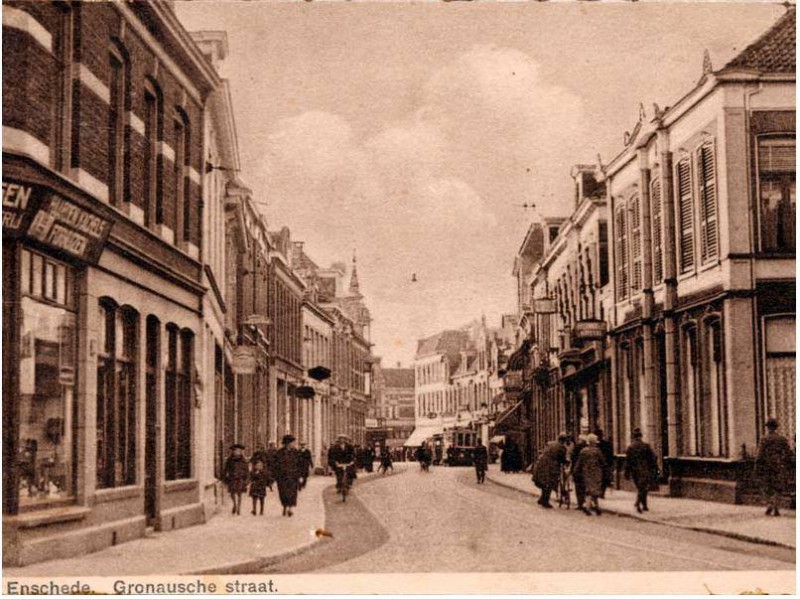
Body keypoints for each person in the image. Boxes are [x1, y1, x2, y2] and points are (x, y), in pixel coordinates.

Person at [756, 418, 794, 517]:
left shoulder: (764, 439)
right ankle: (776, 506)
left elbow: (760, 454)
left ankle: (770, 504)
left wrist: (757, 466)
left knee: (767, 486)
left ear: (768, 428)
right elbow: (788, 453)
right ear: (776, 427)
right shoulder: (782, 439)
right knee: (778, 487)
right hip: (779, 465)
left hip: (767, 466)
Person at [623, 428, 659, 514]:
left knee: (640, 487)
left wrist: (626, 473)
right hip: (645, 469)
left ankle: (642, 505)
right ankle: (640, 504)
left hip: (634, 471)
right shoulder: (646, 446)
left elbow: (628, 461)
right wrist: (655, 468)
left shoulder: (630, 447)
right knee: (643, 488)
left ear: (633, 437)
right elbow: (653, 458)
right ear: (641, 436)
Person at [532, 434, 568, 508]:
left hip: (540, 464)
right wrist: (567, 462)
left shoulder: (550, 444)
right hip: (550, 467)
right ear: (564, 441)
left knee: (544, 483)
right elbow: (561, 459)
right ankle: (545, 501)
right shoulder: (561, 447)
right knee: (550, 483)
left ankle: (542, 499)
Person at [574, 434, 607, 515]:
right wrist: (606, 470)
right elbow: (603, 462)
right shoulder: (597, 451)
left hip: (586, 473)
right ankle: (588, 507)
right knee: (594, 490)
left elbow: (579, 463)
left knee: (590, 489)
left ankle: (596, 507)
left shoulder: (583, 451)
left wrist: (576, 471)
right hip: (596, 473)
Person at [272, 435, 303, 517]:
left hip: (293, 476)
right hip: (282, 477)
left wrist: (300, 475)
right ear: (288, 443)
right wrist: (276, 475)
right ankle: (285, 506)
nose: (294, 444)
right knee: (283, 493)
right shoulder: (279, 453)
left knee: (292, 492)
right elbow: (275, 465)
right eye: (293, 442)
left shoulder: (296, 452)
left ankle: (290, 508)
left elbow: (299, 465)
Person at [223, 444, 249, 516]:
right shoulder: (229, 460)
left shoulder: (243, 460)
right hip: (232, 478)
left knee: (239, 493)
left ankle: (238, 508)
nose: (238, 452)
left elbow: (246, 470)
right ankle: (234, 504)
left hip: (240, 479)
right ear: (233, 452)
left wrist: (247, 479)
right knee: (232, 492)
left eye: (239, 451)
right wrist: (225, 477)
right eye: (236, 451)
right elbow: (226, 469)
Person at [570, 435, 589, 512]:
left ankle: (580, 503)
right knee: (585, 487)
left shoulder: (577, 447)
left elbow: (573, 458)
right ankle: (586, 502)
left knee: (578, 487)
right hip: (586, 471)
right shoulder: (587, 448)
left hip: (578, 470)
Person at [595, 429, 615, 498]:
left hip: (601, 465)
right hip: (603, 465)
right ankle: (601, 492)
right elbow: (610, 455)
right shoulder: (606, 444)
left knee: (602, 479)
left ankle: (601, 492)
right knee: (603, 479)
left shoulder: (596, 445)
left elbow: (609, 455)